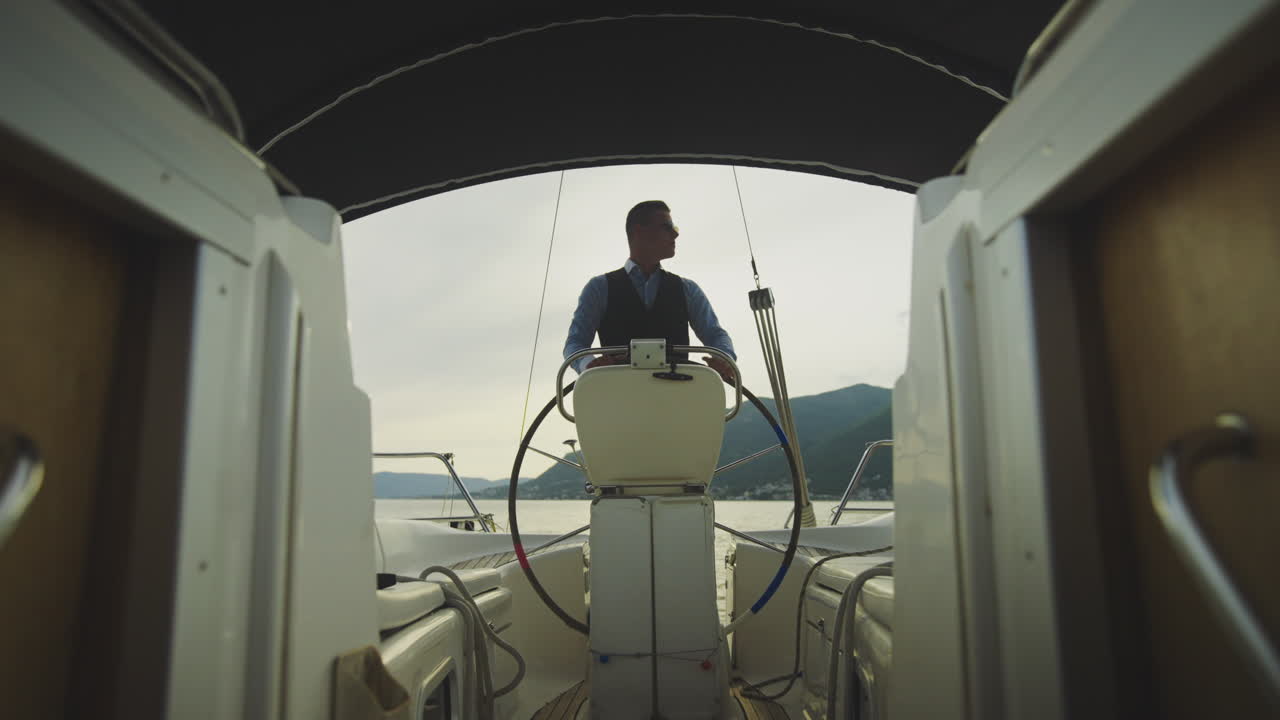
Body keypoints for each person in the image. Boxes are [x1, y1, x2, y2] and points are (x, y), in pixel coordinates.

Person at [563, 200, 736, 382]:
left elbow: (715, 334)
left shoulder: (688, 289)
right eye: (667, 227)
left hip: (678, 395)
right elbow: (575, 343)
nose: (675, 234)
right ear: (640, 231)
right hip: (618, 394)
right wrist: (589, 365)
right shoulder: (598, 288)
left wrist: (724, 358)